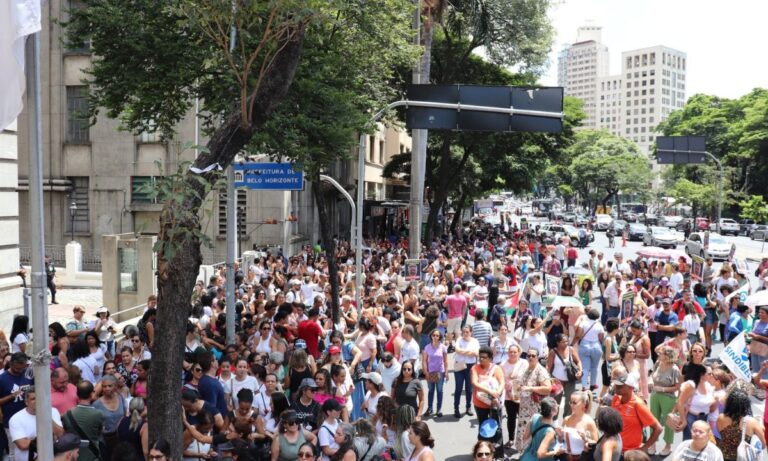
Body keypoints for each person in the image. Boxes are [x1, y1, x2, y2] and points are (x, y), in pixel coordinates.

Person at [610, 372, 662, 453]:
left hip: (630, 453)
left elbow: (658, 428)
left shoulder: (638, 404)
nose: (617, 387)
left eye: (620, 385)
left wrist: (644, 448)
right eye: (616, 385)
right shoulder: (616, 399)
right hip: (615, 450)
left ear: (630, 387)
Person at [9, 387, 65, 461]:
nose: (37, 401)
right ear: (26, 402)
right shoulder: (16, 418)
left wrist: (46, 415)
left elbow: (60, 435)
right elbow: (23, 445)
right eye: (33, 399)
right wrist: (50, 439)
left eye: (40, 398)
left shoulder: (53, 411)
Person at [513, 348, 552, 452]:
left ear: (537, 357)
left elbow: (548, 388)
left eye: (533, 356)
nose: (530, 357)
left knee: (532, 432)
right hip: (524, 408)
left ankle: (532, 454)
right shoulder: (527, 368)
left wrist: (531, 388)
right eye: (528, 355)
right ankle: (525, 454)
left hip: (534, 409)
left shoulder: (540, 370)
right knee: (524, 431)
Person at [648, 346, 681, 456]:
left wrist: (662, 389)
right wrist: (650, 381)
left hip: (668, 397)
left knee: (668, 422)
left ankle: (668, 446)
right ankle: (652, 443)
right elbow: (651, 375)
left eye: (661, 353)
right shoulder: (658, 363)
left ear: (667, 356)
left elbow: (677, 387)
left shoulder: (674, 369)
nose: (658, 355)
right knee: (653, 420)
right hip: (655, 395)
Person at [716, 390, 766, 461]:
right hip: (743, 458)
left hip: (723, 456)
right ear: (746, 405)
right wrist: (761, 425)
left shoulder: (720, 418)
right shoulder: (752, 422)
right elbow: (763, 445)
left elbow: (721, 434)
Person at [63, 380, 105, 461]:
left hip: (74, 457)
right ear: (91, 393)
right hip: (92, 456)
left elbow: (66, 432)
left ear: (77, 394)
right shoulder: (98, 414)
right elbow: (100, 432)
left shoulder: (67, 415)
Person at [471, 346, 504, 439]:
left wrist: (497, 393)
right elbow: (474, 383)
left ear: (490, 358)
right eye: (480, 357)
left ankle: (495, 449)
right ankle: (482, 448)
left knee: (496, 426)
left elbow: (502, 382)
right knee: (483, 426)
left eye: (484, 357)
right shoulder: (475, 368)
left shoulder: (497, 368)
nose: (481, 359)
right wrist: (489, 391)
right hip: (480, 403)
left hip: (494, 403)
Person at [546, 333, 582, 416]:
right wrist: (547, 378)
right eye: (563, 342)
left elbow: (578, 361)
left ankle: (566, 418)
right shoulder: (553, 352)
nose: (566, 343)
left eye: (567, 341)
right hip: (557, 380)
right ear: (558, 343)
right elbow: (548, 366)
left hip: (570, 380)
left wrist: (580, 370)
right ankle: (554, 419)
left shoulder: (571, 350)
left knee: (570, 400)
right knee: (555, 401)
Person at [520, 397, 562, 461]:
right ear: (553, 411)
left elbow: (525, 437)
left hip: (529, 455)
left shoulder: (535, 417)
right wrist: (556, 452)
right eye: (557, 406)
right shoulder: (550, 432)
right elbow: (540, 454)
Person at [563, 391, 599, 461]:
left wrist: (585, 439)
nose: (571, 405)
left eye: (574, 403)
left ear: (583, 404)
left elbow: (596, 443)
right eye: (571, 402)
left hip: (581, 458)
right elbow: (562, 440)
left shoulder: (589, 422)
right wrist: (560, 436)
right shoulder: (566, 419)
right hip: (566, 457)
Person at [453, 325, 479, 418]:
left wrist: (463, 351)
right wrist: (469, 352)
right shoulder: (459, 339)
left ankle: (468, 407)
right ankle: (456, 408)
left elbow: (476, 353)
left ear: (471, 332)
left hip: (470, 366)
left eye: (467, 332)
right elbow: (457, 350)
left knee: (469, 388)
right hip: (460, 365)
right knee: (458, 388)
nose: (465, 334)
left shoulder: (475, 341)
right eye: (464, 332)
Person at [421, 329, 448, 418]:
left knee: (440, 390)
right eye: (434, 335)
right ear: (431, 336)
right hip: (430, 372)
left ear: (440, 337)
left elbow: (445, 361)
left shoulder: (443, 347)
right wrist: (425, 371)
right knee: (431, 390)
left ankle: (439, 409)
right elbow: (424, 360)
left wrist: (446, 373)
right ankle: (430, 408)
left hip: (440, 371)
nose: (435, 337)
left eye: (437, 336)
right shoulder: (427, 347)